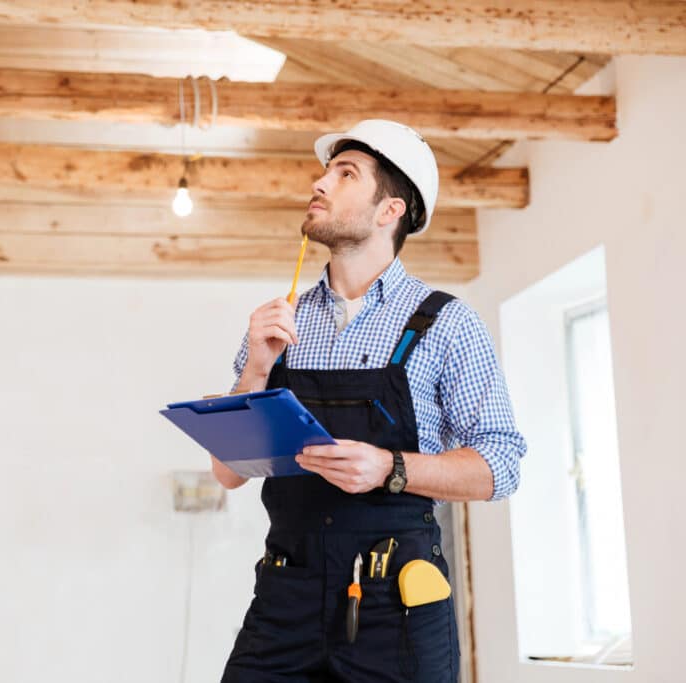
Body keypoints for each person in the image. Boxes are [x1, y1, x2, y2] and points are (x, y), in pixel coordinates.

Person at [214, 119, 527, 682]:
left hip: (396, 607)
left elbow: (500, 465)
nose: (320, 182)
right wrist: (257, 367)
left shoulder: (446, 324)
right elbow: (228, 472)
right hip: (285, 598)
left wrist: (390, 467)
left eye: (345, 173)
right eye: (325, 170)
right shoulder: (279, 323)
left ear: (390, 210)